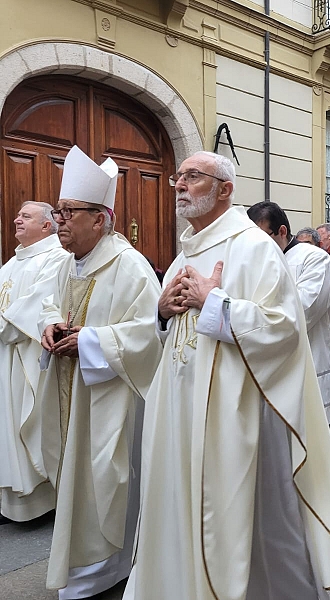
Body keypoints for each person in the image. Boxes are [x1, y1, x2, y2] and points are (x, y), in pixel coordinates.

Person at [123, 152, 330, 600]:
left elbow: (285, 329)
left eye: (193, 177)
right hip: (181, 411)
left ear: (225, 189)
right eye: (179, 177)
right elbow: (167, 331)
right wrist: (161, 311)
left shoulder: (253, 247)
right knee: (178, 508)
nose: (180, 185)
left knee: (241, 524)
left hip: (234, 417)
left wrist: (216, 303)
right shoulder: (186, 252)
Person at [38, 145, 163, 599]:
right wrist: (50, 326)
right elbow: (50, 304)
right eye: (59, 211)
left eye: (70, 211)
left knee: (105, 482)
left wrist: (89, 341)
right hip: (73, 391)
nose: (61, 220)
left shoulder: (129, 265)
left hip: (112, 397)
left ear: (100, 217)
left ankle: (107, 565)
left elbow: (152, 333)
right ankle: (79, 564)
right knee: (76, 482)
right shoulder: (65, 263)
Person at [247, 201, 330, 478]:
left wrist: (247, 316)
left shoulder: (314, 259)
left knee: (322, 454)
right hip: (278, 369)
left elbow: (302, 311)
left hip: (315, 364)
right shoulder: (264, 259)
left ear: (282, 231)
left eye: (262, 237)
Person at [0, 202, 70, 523]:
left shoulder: (56, 258)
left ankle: (40, 500)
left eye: (25, 216)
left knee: (26, 422)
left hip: (27, 357)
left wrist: (3, 326)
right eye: (18, 215)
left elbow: (39, 305)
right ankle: (8, 499)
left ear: (46, 226)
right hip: (5, 356)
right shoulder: (12, 262)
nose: (17, 219)